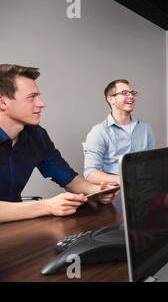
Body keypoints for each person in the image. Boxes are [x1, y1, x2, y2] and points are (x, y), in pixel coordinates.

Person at [0, 64, 118, 223]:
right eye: (31, 97)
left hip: (14, 226)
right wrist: (46, 206)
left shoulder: (37, 135)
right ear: (2, 102)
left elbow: (69, 180)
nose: (41, 103)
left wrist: (97, 190)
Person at [83, 79, 155, 185]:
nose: (131, 96)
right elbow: (90, 174)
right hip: (117, 191)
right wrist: (122, 179)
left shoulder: (145, 127)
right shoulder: (98, 132)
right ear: (111, 99)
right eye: (124, 93)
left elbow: (151, 163)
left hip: (146, 188)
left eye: (132, 93)